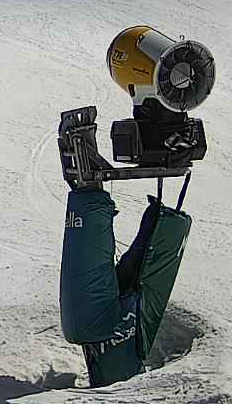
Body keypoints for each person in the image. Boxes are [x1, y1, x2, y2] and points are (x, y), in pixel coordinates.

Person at [55, 110, 192, 387]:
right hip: (94, 324)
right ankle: (82, 143)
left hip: (94, 323)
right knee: (91, 225)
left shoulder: (95, 328)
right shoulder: (95, 329)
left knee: (91, 223)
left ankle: (82, 144)